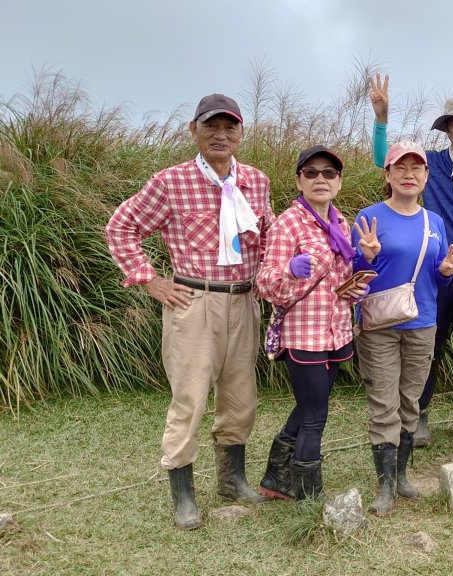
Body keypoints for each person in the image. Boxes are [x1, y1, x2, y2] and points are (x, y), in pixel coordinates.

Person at [105, 94, 274, 530]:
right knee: (190, 400)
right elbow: (121, 227)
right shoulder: (170, 182)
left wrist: (278, 271)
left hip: (244, 299)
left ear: (241, 133)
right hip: (194, 302)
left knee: (241, 400)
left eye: (230, 127)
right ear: (193, 130)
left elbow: (269, 234)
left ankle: (232, 480)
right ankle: (183, 495)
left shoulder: (256, 181)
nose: (221, 135)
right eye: (211, 126)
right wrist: (150, 279)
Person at [369, 74, 453, 446]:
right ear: (447, 129)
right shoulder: (432, 164)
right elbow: (384, 160)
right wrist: (381, 120)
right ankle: (420, 412)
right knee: (433, 341)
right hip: (434, 269)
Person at [351, 140, 453, 516]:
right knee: (384, 403)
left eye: (416, 168)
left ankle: (401, 476)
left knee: (411, 401)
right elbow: (352, 277)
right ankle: (385, 486)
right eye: (400, 168)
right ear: (387, 175)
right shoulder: (369, 217)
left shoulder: (433, 221)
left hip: (423, 323)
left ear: (426, 177)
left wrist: (446, 272)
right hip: (381, 325)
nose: (408, 174)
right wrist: (362, 256)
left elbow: (435, 280)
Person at [254, 145, 369, 501]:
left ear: (338, 181)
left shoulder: (341, 223)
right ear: (299, 181)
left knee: (309, 408)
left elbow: (339, 281)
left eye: (329, 173)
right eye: (312, 173)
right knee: (316, 414)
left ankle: (275, 478)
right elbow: (265, 283)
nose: (321, 179)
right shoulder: (287, 224)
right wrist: (289, 270)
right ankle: (307, 493)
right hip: (303, 333)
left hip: (335, 331)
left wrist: (354, 289)